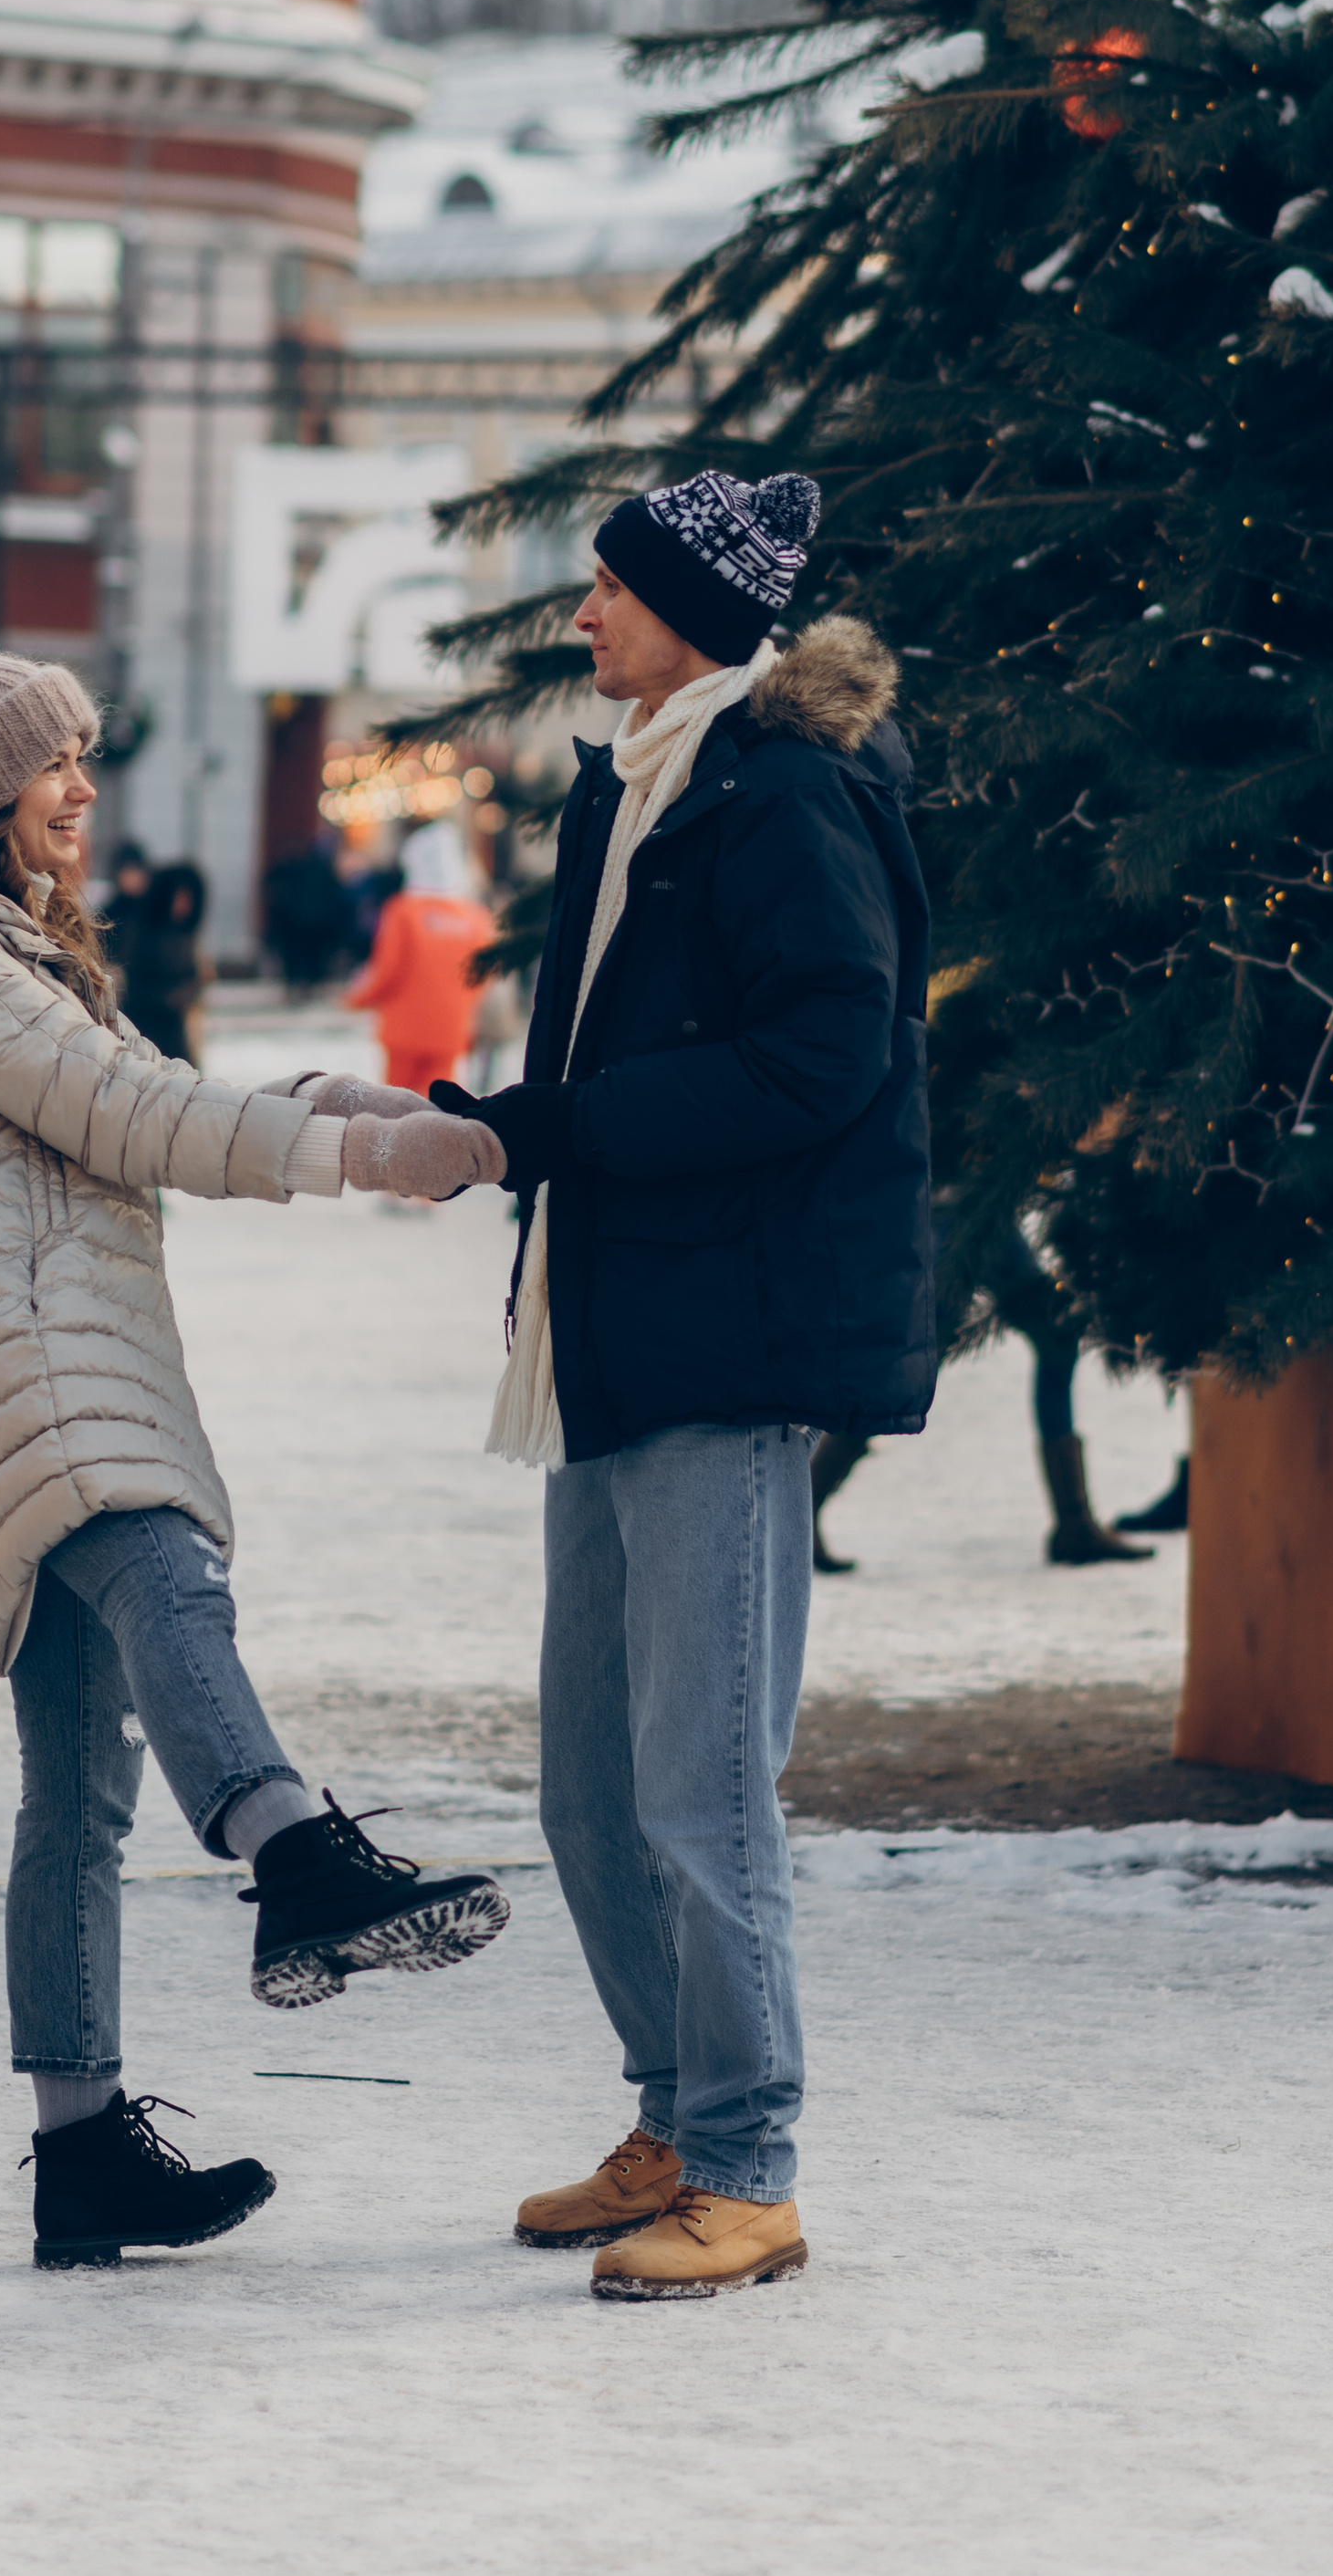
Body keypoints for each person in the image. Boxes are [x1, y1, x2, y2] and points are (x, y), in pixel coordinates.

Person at [0, 627, 508, 2271]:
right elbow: (123, 1116)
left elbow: (136, 1089)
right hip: (14, 1346)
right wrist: (363, 1154)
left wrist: (329, 1093)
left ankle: (80, 2149)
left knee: (78, 1782)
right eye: (55, 758)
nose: (83, 785)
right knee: (164, 1570)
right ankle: (294, 1850)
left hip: (31, 1331)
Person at [432, 471, 936, 2303]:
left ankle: (747, 2163)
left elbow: (826, 1061)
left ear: (688, 615)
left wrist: (541, 1132)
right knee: (587, 1785)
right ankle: (671, 2112)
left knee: (700, 1787)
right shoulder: (646, 780)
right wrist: (503, 1142)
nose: (581, 616)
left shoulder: (777, 789)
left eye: (607, 592)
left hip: (723, 1346)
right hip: (614, 1337)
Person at [807, 1211, 1152, 1572]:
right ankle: (804, 1504)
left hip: (984, 1207)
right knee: (911, 1360)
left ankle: (1074, 1523)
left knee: (1052, 1337)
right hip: (952, 1206)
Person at [343, 817, 497, 1094]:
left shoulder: (403, 911)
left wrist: (355, 999)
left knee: (395, 1109)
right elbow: (481, 976)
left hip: (404, 1030)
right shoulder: (476, 917)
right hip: (450, 1028)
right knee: (435, 1108)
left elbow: (387, 970)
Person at [115, 859, 209, 1065]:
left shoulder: (184, 934)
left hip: (175, 1028)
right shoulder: (142, 932)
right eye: (179, 898)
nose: (183, 905)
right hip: (144, 1027)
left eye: (188, 899)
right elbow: (134, 979)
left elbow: (194, 978)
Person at [261, 840, 359, 995]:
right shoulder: (325, 872)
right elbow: (337, 899)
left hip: (297, 922)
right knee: (313, 955)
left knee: (297, 955)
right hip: (318, 923)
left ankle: (295, 982)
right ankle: (309, 983)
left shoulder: (296, 869)